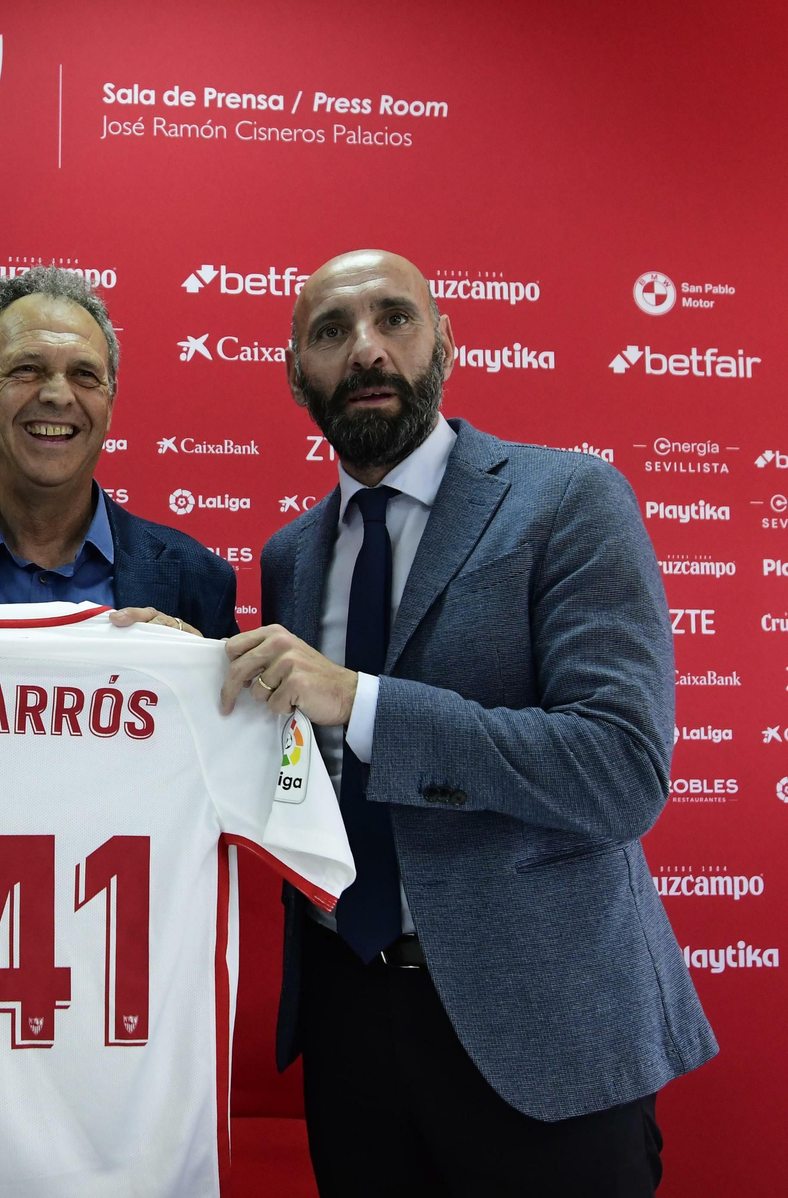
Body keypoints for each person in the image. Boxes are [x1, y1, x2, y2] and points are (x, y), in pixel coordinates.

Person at [223, 249, 715, 1196]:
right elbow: (298, 770)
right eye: (330, 332)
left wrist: (361, 701)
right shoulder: (289, 554)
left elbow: (619, 769)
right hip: (348, 1021)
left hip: (545, 1033)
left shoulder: (568, 501)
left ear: (446, 341)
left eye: (393, 319)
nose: (366, 350)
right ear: (297, 375)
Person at [0, 266, 237, 638]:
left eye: (84, 374)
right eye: (26, 368)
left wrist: (200, 661)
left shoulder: (197, 579)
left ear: (110, 406)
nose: (56, 396)